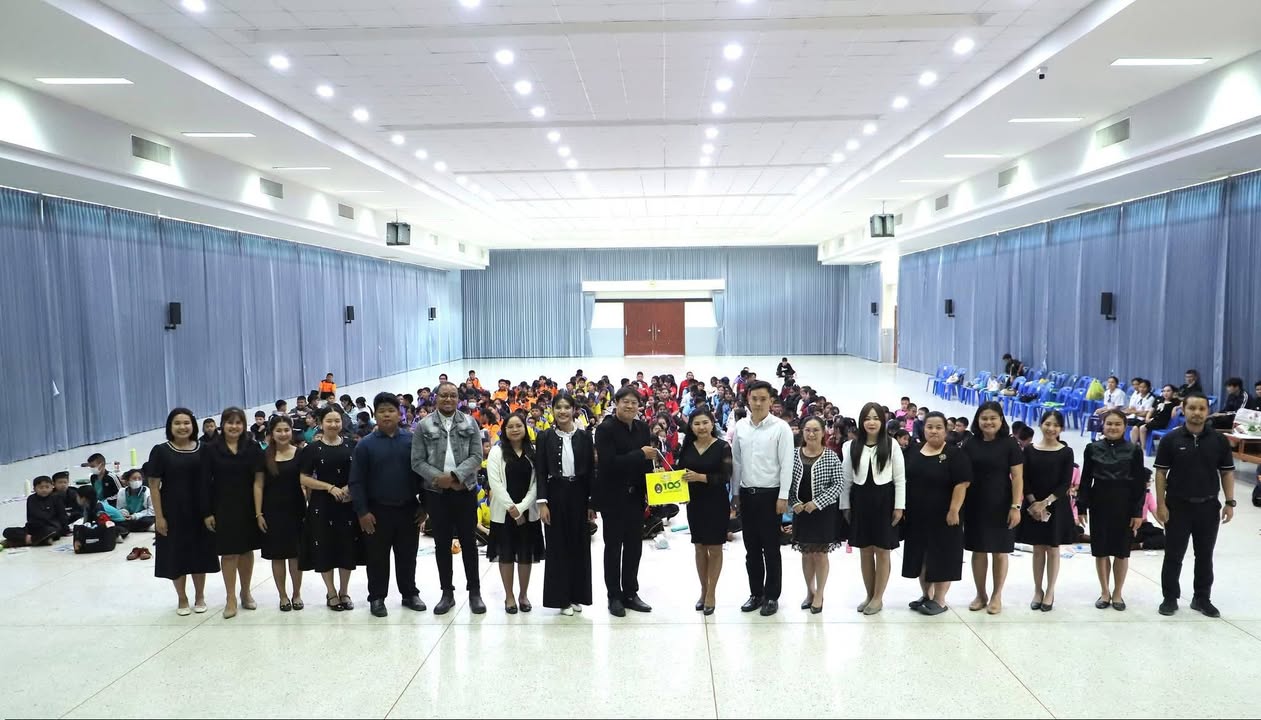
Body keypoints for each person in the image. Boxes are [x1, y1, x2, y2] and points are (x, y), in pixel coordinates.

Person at [1155, 392, 1236, 618]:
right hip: (1177, 507)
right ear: (1183, 409)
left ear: (1208, 411)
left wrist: (1230, 502)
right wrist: (1161, 504)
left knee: (1204, 555)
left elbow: (1227, 472)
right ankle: (1170, 598)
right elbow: (1160, 473)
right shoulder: (1171, 439)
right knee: (1173, 555)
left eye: (1202, 408)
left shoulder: (1219, 440)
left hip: (1208, 507)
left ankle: (1202, 598)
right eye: (1192, 408)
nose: (1197, 413)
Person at [412, 382, 486, 615]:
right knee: (442, 544)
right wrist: (439, 479)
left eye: (453, 395)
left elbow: (477, 455)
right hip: (437, 494)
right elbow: (417, 461)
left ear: (458, 399)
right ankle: (447, 593)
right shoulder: (423, 425)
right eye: (444, 395)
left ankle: (475, 593)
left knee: (469, 543)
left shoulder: (470, 422)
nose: (448, 399)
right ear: (436, 398)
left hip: (465, 490)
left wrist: (455, 476)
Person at [352, 393, 428, 618]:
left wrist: (424, 506)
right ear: (375, 415)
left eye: (391, 411)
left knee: (407, 556)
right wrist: (362, 512)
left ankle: (409, 594)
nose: (386, 415)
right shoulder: (365, 445)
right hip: (376, 512)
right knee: (377, 557)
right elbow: (356, 481)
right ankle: (377, 597)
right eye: (382, 411)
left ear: (399, 414)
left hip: (408, 509)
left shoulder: (411, 441)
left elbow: (423, 476)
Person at [732, 380, 795, 617]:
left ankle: (771, 596)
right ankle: (755, 593)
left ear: (771, 401)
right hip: (747, 495)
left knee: (771, 548)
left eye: (763, 399)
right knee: (751, 549)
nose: (758, 403)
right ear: (748, 400)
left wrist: (783, 496)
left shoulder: (781, 428)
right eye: (754, 399)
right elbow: (737, 462)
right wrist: (735, 493)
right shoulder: (741, 427)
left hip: (771, 496)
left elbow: (787, 464)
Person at [148, 407, 219, 615]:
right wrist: (159, 517)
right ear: (170, 426)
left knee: (200, 555)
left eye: (186, 423)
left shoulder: (204, 449)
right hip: (173, 512)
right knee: (176, 555)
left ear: (193, 425)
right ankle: (182, 597)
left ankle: (200, 596)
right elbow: (154, 486)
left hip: (200, 512)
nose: (182, 427)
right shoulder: (160, 451)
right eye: (177, 423)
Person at [594, 386, 656, 617]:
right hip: (613, 498)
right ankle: (614, 596)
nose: (630, 406)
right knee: (613, 548)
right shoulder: (605, 429)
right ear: (616, 403)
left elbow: (647, 463)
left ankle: (631, 592)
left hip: (636, 496)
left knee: (634, 546)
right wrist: (640, 454)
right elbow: (608, 463)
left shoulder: (642, 428)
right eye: (625, 402)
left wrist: (652, 490)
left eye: (634, 403)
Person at [901, 412, 971, 616]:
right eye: (929, 427)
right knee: (921, 555)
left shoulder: (955, 454)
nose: (933, 431)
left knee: (943, 556)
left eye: (938, 427)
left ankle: (940, 599)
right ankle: (927, 595)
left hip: (945, 516)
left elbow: (962, 484)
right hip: (917, 515)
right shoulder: (914, 450)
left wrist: (954, 510)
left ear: (946, 430)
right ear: (923, 429)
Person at [1077, 409, 1146, 612]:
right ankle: (1105, 591)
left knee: (1121, 552)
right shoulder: (1092, 448)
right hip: (1099, 503)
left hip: (1124, 504)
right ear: (1103, 425)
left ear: (1125, 426)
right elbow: (1085, 480)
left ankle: (1118, 592)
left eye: (1117, 424)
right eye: (1109, 423)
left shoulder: (1134, 450)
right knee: (1101, 550)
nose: (1113, 427)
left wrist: (1137, 512)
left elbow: (1139, 484)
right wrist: (1081, 507)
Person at [841, 403, 906, 615]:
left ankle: (878, 597)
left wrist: (899, 507)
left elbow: (900, 479)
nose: (871, 422)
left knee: (883, 550)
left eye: (876, 418)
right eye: (867, 418)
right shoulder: (852, 446)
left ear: (882, 421)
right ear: (861, 421)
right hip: (860, 500)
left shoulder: (891, 444)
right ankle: (869, 595)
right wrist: (845, 505)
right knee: (865, 550)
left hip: (884, 500)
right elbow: (846, 479)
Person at [962, 401, 1024, 614]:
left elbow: (1017, 477)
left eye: (993, 418)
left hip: (1002, 504)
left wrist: (1016, 506)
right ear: (978, 420)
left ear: (1001, 420)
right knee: (978, 550)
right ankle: (981, 594)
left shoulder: (1010, 444)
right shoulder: (970, 443)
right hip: (975, 504)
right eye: (984, 418)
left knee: (999, 551)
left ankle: (997, 595)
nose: (988, 422)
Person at [201, 407, 262, 619]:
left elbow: (259, 480)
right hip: (222, 507)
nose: (234, 426)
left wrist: (260, 511)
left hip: (247, 506)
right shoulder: (210, 449)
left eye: (238, 422)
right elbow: (204, 483)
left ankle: (245, 592)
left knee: (246, 551)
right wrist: (207, 512)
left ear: (244, 425)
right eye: (230, 422)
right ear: (222, 425)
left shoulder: (252, 447)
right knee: (228, 553)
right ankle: (230, 598)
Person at [536, 394, 595, 615]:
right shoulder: (545, 437)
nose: (562, 411)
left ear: (573, 410)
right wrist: (542, 502)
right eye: (558, 407)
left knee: (580, 545)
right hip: (555, 494)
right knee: (557, 546)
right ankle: (561, 599)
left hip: (579, 494)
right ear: (552, 410)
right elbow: (540, 471)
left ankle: (577, 595)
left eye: (566, 407)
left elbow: (590, 471)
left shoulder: (584, 436)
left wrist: (591, 502)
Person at [299, 406, 361, 612]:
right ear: (320, 423)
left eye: (337, 421)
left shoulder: (352, 446)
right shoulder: (312, 449)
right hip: (322, 505)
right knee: (324, 547)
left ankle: (344, 591)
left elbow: (360, 474)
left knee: (346, 546)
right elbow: (304, 477)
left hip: (346, 503)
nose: (333, 425)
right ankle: (331, 592)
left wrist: (349, 488)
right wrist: (329, 487)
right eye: (329, 421)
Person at [486, 413, 545, 613]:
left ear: (525, 428)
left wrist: (521, 508)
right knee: (506, 555)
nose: (514, 429)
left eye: (518, 425)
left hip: (528, 513)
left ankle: (523, 595)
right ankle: (509, 596)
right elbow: (495, 483)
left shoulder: (532, 452)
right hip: (504, 513)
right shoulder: (497, 452)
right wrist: (512, 508)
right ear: (504, 430)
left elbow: (537, 483)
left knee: (526, 555)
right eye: (510, 426)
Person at [677, 408, 734, 615]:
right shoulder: (687, 446)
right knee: (699, 547)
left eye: (705, 422)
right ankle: (703, 590)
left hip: (716, 503)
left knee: (715, 548)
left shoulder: (722, 446)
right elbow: (680, 472)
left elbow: (726, 476)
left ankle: (712, 593)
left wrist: (700, 477)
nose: (701, 427)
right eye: (697, 423)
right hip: (694, 503)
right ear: (691, 427)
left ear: (712, 423)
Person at [1017, 411, 1074, 612]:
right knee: (1038, 549)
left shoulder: (1066, 452)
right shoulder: (1029, 450)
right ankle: (1037, 590)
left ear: (1061, 429)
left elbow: (1065, 483)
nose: (1051, 428)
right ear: (1041, 425)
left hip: (1056, 505)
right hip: (1033, 505)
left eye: (1056, 425)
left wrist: (1046, 503)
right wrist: (1034, 503)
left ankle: (1050, 590)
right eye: (1048, 424)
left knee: (1053, 548)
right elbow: (1024, 479)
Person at [788, 416, 843, 614]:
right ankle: (809, 591)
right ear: (802, 432)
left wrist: (817, 503)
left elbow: (838, 484)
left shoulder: (831, 456)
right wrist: (794, 502)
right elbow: (786, 481)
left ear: (823, 433)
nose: (811, 434)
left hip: (823, 513)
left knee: (820, 554)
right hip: (801, 511)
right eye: (808, 430)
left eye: (816, 430)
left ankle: (820, 593)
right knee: (806, 553)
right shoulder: (793, 455)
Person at [254, 415, 306, 612]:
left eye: (286, 430)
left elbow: (306, 482)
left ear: (291, 432)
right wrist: (258, 514)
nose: (283, 434)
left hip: (296, 510)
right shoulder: (264, 456)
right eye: (279, 431)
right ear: (271, 433)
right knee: (277, 556)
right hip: (272, 512)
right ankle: (283, 595)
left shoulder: (300, 453)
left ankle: (297, 593)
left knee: (296, 555)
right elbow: (258, 485)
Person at [2, 476, 62, 548]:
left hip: (49, 527)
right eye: (41, 487)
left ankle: (17, 542)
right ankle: (37, 540)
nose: (44, 490)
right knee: (7, 531)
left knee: (51, 531)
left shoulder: (56, 498)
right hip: (32, 528)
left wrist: (65, 529)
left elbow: (62, 515)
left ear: (52, 487)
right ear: (34, 489)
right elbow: (32, 516)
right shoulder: (31, 499)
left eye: (47, 487)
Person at [1136, 384, 1180, 452]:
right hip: (1154, 419)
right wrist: (1148, 418)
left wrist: (1176, 407)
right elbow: (1151, 410)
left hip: (1161, 422)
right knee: (1135, 427)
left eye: (1168, 391)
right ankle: (1134, 447)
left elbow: (1184, 403)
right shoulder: (1159, 399)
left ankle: (1143, 448)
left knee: (1142, 428)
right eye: (1164, 391)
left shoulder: (1175, 402)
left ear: (1173, 392)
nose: (1165, 393)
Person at [116, 469, 156, 533]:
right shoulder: (122, 492)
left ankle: (132, 528)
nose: (137, 481)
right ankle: (145, 528)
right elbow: (119, 508)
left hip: (143, 516)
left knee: (145, 521)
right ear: (128, 481)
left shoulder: (147, 492)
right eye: (134, 478)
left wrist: (135, 516)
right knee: (117, 520)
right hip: (129, 517)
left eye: (139, 479)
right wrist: (123, 512)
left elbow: (151, 511)